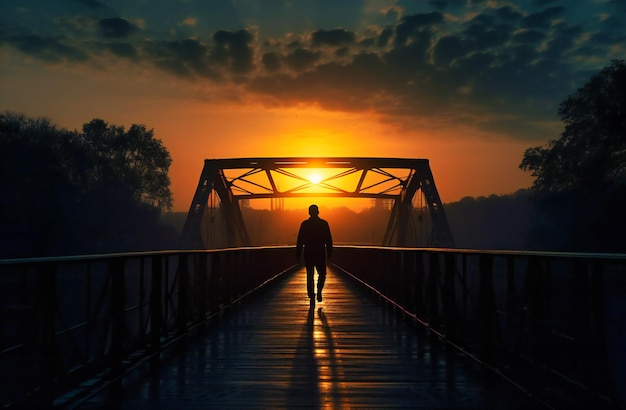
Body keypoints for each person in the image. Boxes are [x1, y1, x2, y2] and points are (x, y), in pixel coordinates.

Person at [296, 204, 333, 306]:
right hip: (320, 252)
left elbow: (299, 241)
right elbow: (329, 240)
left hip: (308, 252)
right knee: (322, 274)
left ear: (309, 212)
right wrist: (329, 254)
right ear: (318, 212)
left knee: (310, 274)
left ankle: (311, 294)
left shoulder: (305, 224)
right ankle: (319, 289)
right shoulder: (324, 224)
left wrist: (298, 256)